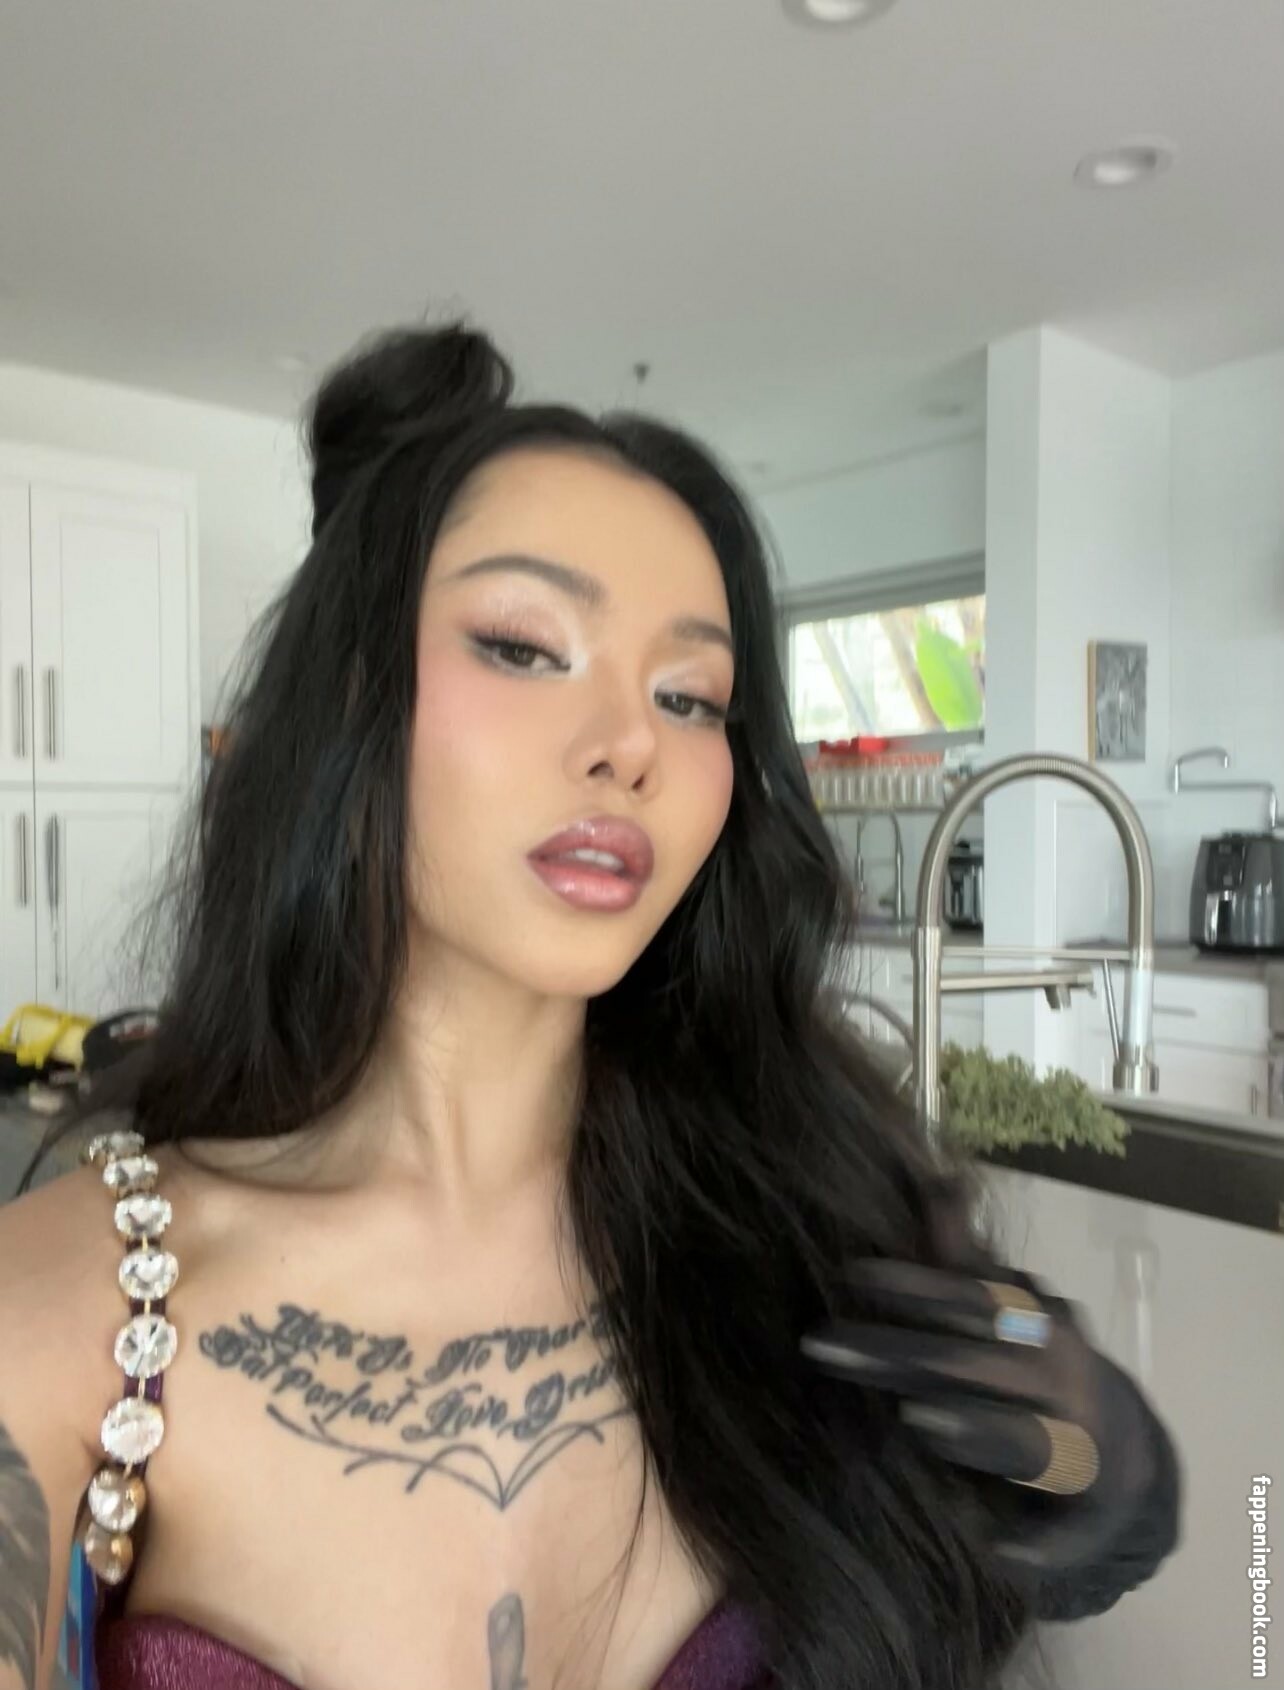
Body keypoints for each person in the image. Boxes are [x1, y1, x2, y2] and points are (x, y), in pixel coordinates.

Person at [0, 320, 1180, 1690]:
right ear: (351, 698)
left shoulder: (798, 1219)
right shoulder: (81, 1305)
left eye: (691, 696)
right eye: (522, 646)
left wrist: (1103, 1496)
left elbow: (993, 1542)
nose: (631, 742)